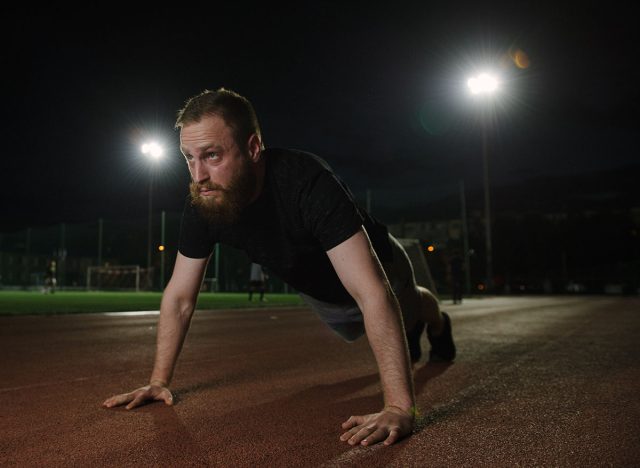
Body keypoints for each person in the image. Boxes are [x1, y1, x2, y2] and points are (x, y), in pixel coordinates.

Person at [103, 88, 456, 447]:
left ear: (253, 148)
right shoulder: (204, 205)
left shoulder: (307, 181)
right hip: (324, 293)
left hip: (381, 267)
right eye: (188, 158)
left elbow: (372, 291)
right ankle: (410, 329)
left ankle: (439, 325)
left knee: (407, 309)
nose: (198, 175)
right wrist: (159, 380)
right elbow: (179, 297)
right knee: (352, 329)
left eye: (212, 155)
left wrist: (399, 406)